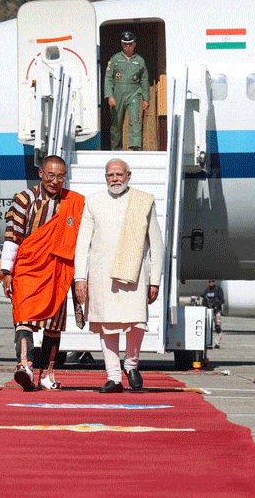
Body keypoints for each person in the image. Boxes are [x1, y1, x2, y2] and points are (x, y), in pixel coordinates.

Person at [74, 159, 162, 393]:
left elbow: (157, 245)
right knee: (106, 325)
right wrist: (79, 278)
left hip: (134, 274)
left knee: (137, 323)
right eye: (110, 175)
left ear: (128, 176)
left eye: (119, 174)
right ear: (105, 177)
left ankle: (131, 365)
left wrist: (155, 280)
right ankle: (113, 376)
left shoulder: (144, 201)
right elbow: (83, 244)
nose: (115, 179)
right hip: (102, 276)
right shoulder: (93, 202)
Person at [0, 155, 85, 391]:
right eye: (50, 175)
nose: (55, 181)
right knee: (24, 316)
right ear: (41, 174)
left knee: (54, 324)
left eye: (60, 176)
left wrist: (81, 278)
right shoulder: (24, 199)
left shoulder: (74, 202)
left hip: (59, 269)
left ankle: (47, 373)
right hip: (28, 267)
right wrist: (7, 270)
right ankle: (25, 365)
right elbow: (12, 235)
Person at [103, 31, 149, 151]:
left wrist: (146, 98)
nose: (127, 46)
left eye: (130, 44)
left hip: (134, 92)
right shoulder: (115, 59)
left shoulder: (139, 60)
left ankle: (135, 146)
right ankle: (116, 147)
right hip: (118, 93)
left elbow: (144, 79)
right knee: (117, 122)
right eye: (125, 44)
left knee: (135, 120)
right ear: (122, 45)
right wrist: (109, 96)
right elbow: (108, 78)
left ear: (134, 44)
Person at [202, 280, 225, 348]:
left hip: (216, 310)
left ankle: (217, 343)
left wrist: (216, 305)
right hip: (209, 311)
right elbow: (203, 299)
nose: (211, 283)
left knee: (217, 326)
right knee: (208, 327)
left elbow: (222, 300)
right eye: (209, 282)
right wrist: (206, 304)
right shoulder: (207, 290)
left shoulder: (218, 289)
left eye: (212, 281)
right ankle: (208, 342)